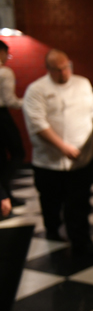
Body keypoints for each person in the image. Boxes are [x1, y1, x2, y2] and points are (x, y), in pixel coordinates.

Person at [23, 49, 93, 253]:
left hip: (81, 160)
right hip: (49, 162)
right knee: (51, 203)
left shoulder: (82, 83)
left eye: (66, 67)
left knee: (79, 204)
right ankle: (53, 233)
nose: (64, 73)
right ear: (48, 69)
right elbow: (38, 125)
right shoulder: (36, 90)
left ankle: (81, 244)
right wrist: (63, 147)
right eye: (58, 70)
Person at [0, 40, 26, 208]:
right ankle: (4, 191)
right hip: (1, 116)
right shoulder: (5, 72)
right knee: (18, 153)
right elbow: (10, 100)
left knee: (1, 158)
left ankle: (5, 195)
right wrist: (29, 102)